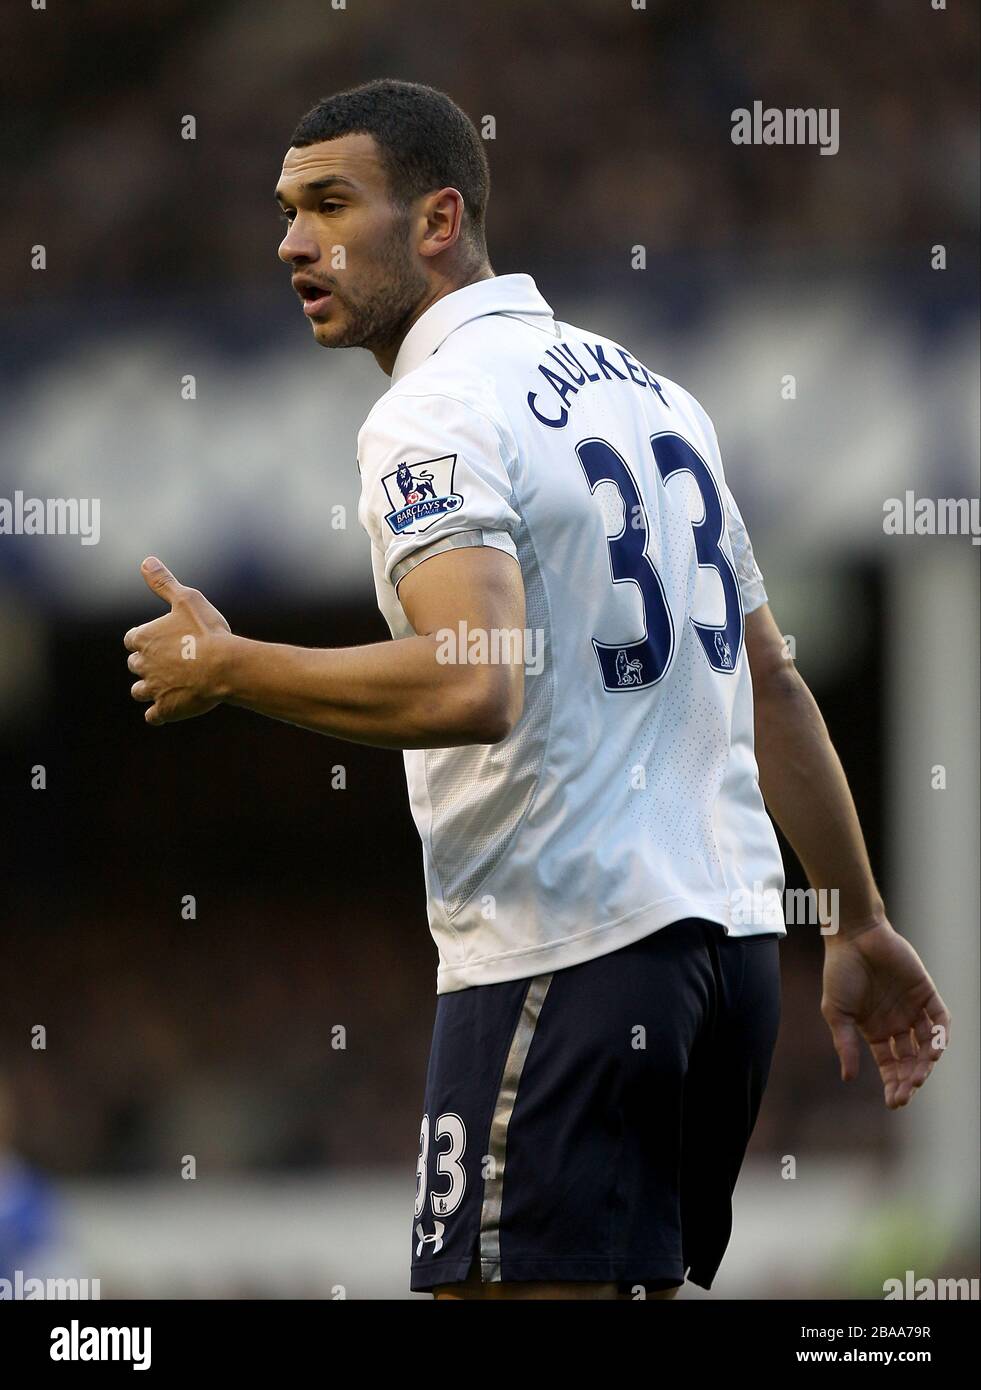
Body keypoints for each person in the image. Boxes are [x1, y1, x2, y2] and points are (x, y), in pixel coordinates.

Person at [122, 79, 951, 1300]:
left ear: (440, 219)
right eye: (290, 209)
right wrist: (857, 916)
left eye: (333, 204)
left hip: (566, 953)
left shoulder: (434, 407)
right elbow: (768, 679)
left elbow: (476, 686)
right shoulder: (659, 396)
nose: (293, 242)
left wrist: (233, 666)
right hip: (724, 961)